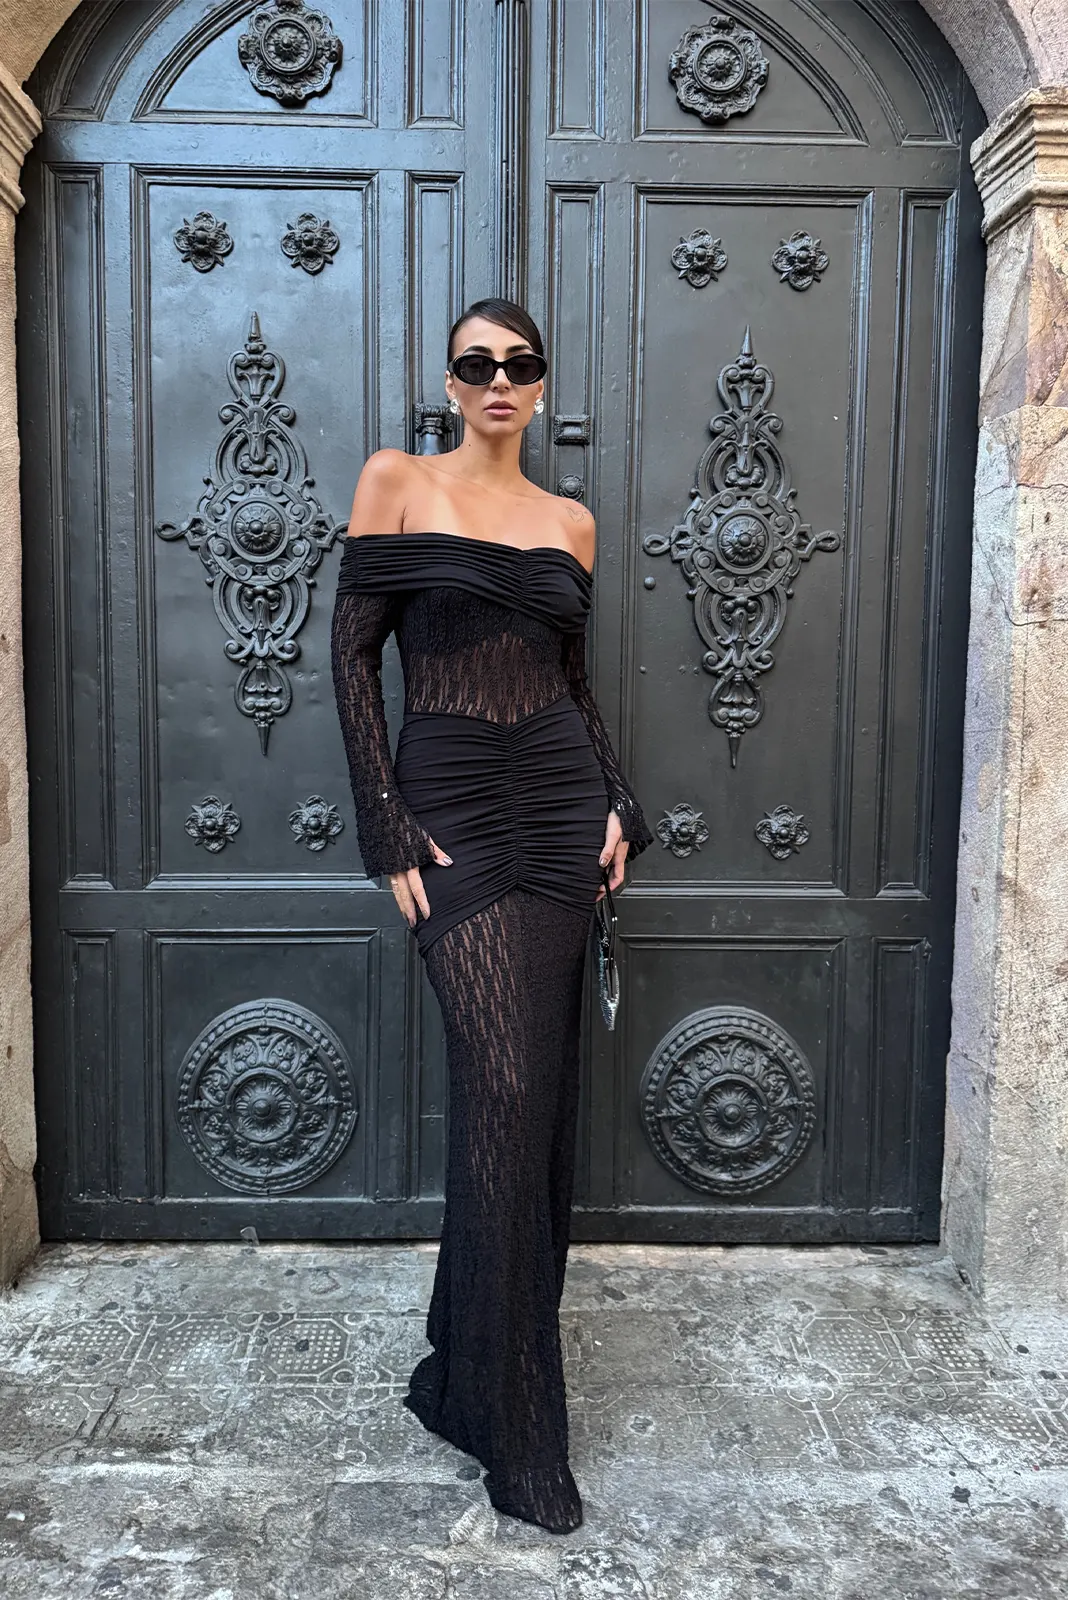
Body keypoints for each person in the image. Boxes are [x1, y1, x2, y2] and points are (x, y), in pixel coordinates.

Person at [330, 297, 653, 1533]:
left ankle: (485, 1389)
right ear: (453, 382)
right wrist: (384, 824)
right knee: (504, 1090)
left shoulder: (570, 523)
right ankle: (510, 1416)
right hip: (451, 810)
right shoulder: (397, 481)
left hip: (562, 811)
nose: (499, 378)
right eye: (478, 363)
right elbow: (353, 659)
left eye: (519, 362)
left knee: (540, 1102)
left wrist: (618, 801)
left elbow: (573, 680)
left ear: (541, 382)